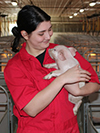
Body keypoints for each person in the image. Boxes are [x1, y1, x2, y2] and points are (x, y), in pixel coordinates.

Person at [4, 5, 100, 133]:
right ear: (25, 34)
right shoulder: (15, 67)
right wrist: (63, 78)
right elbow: (31, 108)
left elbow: (94, 82)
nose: (48, 36)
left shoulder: (64, 51)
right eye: (41, 33)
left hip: (68, 129)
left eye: (50, 29)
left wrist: (78, 91)